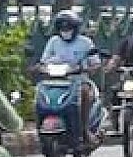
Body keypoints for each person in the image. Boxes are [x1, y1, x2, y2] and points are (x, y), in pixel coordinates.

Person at [40, 9, 103, 147]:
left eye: (68, 28)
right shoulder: (53, 41)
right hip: (56, 82)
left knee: (85, 92)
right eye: (62, 28)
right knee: (39, 94)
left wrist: (85, 68)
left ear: (75, 28)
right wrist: (42, 68)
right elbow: (44, 61)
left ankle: (85, 130)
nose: (65, 31)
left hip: (79, 81)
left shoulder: (85, 42)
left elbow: (95, 63)